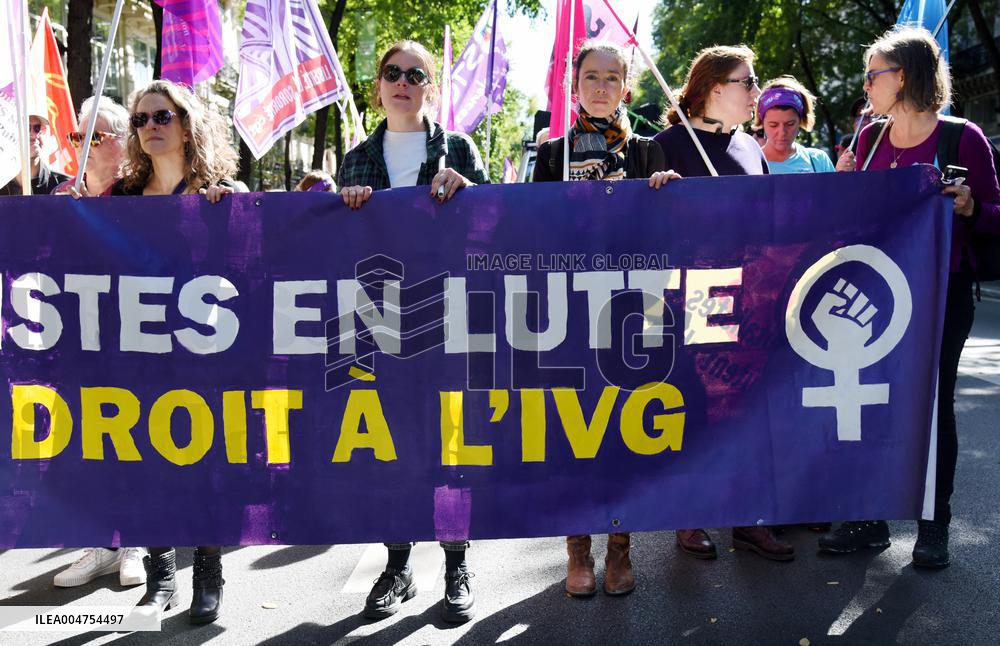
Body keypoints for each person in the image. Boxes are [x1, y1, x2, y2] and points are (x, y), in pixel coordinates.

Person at [825, 26, 1000, 568]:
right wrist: (841, 185)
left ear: (903, 78)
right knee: (875, 408)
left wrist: (970, 206)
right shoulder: (867, 140)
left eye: (873, 74)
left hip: (941, 294)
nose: (866, 84)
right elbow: (847, 223)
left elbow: (996, 215)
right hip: (874, 298)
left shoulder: (961, 137)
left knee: (930, 406)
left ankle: (933, 525)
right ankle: (868, 517)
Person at [335, 40, 487, 623]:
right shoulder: (355, 160)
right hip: (378, 323)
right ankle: (397, 567)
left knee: (450, 443)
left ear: (430, 88)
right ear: (378, 87)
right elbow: (337, 252)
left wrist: (471, 197)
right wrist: (347, 205)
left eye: (416, 74)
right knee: (390, 448)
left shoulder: (460, 150)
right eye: (392, 73)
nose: (403, 81)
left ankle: (456, 564)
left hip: (446, 318)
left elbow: (490, 233)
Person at [533, 40, 678, 597]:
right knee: (574, 431)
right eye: (590, 77)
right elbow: (528, 232)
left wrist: (667, 197)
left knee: (623, 430)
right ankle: (577, 549)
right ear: (575, 87)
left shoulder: (648, 151)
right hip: (568, 314)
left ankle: (620, 547)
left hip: (629, 313)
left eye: (612, 77)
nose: (600, 86)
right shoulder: (550, 155)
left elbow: (667, 233)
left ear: (626, 86)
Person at [654, 45, 794, 563]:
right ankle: (688, 515)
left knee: (752, 407)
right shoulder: (665, 145)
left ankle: (749, 518)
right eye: (748, 81)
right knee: (694, 405)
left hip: (751, 296)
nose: (756, 92)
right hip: (688, 296)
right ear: (715, 89)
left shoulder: (751, 149)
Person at [114, 79, 243, 623]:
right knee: (147, 463)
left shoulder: (220, 190)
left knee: (203, 463)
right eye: (140, 120)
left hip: (203, 354)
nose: (150, 128)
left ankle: (207, 574)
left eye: (161, 117)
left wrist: (239, 212)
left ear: (186, 125)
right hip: (139, 353)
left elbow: (249, 267)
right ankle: (160, 573)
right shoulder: (119, 200)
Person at [53, 96, 129, 197]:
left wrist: (88, 209)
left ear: (123, 146)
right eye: (77, 137)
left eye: (94, 137)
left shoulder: (138, 192)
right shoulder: (60, 193)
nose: (82, 145)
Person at [756, 76, 835, 174]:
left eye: (790, 124)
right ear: (762, 121)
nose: (782, 132)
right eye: (773, 125)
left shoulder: (818, 161)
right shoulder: (750, 164)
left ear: (801, 120)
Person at [0, 111, 70, 195]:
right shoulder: (2, 183)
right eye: (25, 128)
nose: (33, 135)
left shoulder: (64, 187)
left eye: (38, 128)